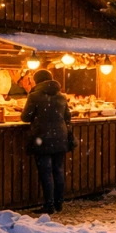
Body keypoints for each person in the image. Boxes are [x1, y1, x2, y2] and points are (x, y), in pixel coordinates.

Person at [23, 69, 72, 215]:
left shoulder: (34, 96)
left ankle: (49, 205)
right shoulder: (61, 97)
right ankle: (59, 203)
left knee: (45, 172)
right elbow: (67, 117)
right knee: (58, 170)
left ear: (37, 81)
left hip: (42, 138)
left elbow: (25, 117)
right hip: (60, 137)